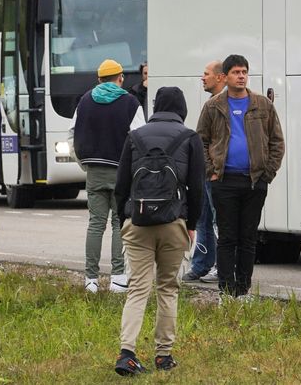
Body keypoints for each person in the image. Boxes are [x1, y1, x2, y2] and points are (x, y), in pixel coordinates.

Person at [112, 86, 205, 376]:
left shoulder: (135, 137)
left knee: (138, 289)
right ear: (182, 108)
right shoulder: (190, 138)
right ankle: (163, 356)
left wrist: (123, 220)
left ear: (155, 106)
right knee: (168, 288)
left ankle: (127, 353)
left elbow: (121, 186)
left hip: (137, 223)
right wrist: (191, 226)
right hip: (173, 223)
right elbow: (198, 189)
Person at [196, 54, 284, 299]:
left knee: (248, 237)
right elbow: (201, 141)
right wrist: (211, 171)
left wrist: (268, 173)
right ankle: (226, 289)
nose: (241, 76)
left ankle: (243, 289)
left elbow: (277, 140)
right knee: (226, 237)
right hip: (224, 181)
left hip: (254, 181)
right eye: (236, 72)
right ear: (225, 77)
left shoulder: (262, 105)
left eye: (244, 71)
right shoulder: (213, 106)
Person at [70, 59, 145, 293]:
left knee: (95, 224)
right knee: (118, 224)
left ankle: (90, 279)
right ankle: (118, 277)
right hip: (121, 171)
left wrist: (84, 164)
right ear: (120, 78)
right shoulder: (131, 102)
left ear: (99, 79)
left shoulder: (84, 102)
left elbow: (73, 136)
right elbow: (139, 139)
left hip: (93, 170)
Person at [182, 60, 225, 284]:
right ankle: (201, 264)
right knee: (202, 219)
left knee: (218, 221)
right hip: (206, 172)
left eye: (206, 74)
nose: (203, 78)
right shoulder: (211, 103)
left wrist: (214, 168)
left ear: (220, 77)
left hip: (217, 173)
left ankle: (221, 265)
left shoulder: (224, 104)